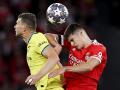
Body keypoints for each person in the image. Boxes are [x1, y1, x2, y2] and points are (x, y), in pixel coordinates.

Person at [46, 24, 107, 90]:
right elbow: (48, 35)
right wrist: (57, 45)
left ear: (81, 33)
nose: (72, 44)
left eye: (72, 40)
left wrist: (65, 68)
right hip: (67, 86)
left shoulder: (99, 48)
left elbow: (89, 66)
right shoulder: (73, 44)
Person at [14, 12, 64, 90]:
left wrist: (37, 76)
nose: (15, 26)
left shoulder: (36, 38)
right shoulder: (32, 43)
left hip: (51, 87)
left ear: (25, 28)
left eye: (17, 23)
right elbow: (52, 57)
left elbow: (54, 58)